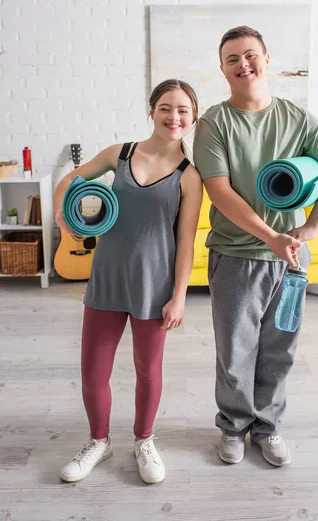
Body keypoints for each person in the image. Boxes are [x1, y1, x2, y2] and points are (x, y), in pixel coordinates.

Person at [193, 26, 318, 467]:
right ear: (222, 69)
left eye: (249, 55)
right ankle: (233, 426)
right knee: (235, 350)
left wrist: (314, 226)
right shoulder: (214, 123)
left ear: (266, 58)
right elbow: (220, 191)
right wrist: (272, 237)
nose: (243, 65)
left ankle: (267, 427)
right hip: (237, 256)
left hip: (292, 260)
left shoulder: (297, 118)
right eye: (231, 59)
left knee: (281, 347)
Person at [54, 79, 203, 484]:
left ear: (193, 118)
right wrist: (62, 217)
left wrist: (179, 297)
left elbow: (186, 242)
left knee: (148, 370)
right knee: (92, 371)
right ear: (152, 111)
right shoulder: (119, 155)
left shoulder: (190, 176)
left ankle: (144, 440)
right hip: (107, 278)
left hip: (153, 285)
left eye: (184, 110)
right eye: (166, 108)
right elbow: (70, 181)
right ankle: (98, 442)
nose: (175, 117)